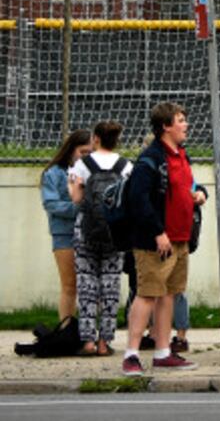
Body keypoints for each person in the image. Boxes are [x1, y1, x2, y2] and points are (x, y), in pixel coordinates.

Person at [121, 102, 203, 376]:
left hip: (180, 239)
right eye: (180, 120)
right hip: (155, 241)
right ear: (166, 126)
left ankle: (163, 351)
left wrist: (199, 192)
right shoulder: (151, 159)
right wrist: (158, 231)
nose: (186, 125)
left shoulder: (182, 154)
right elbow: (138, 198)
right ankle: (131, 354)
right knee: (147, 294)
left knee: (169, 294)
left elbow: (189, 185)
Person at [65, 122, 123, 355]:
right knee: (111, 285)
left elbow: (76, 198)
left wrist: (77, 186)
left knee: (87, 285)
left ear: (96, 138)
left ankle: (87, 340)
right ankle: (104, 342)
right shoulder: (125, 166)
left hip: (86, 231)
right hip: (114, 232)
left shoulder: (82, 164)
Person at [41, 128, 91, 323]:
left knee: (91, 286)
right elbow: (51, 204)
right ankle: (66, 328)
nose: (86, 157)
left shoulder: (93, 172)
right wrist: (79, 207)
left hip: (90, 233)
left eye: (90, 152)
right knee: (70, 285)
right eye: (82, 152)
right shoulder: (53, 174)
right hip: (65, 235)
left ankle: (89, 332)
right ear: (71, 150)